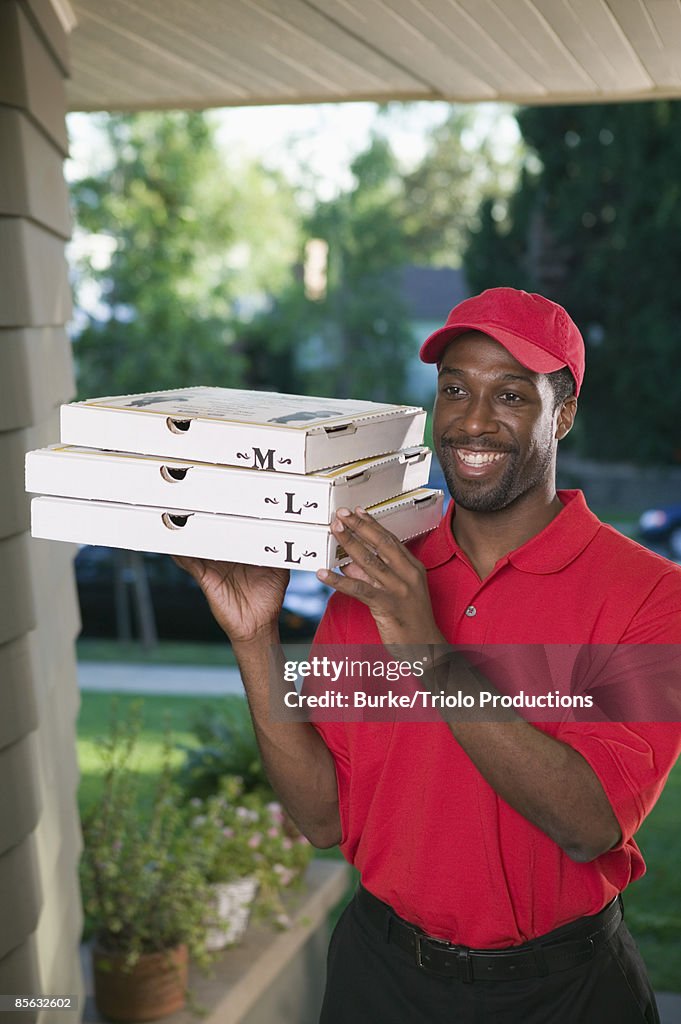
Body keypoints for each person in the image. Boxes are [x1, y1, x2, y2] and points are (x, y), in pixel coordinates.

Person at [175, 287, 681, 1024]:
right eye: (454, 389)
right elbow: (321, 818)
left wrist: (425, 647)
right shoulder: (374, 573)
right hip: (381, 977)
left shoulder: (650, 593)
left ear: (561, 414)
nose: (474, 420)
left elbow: (590, 822)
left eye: (510, 394)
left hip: (562, 992)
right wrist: (254, 638)